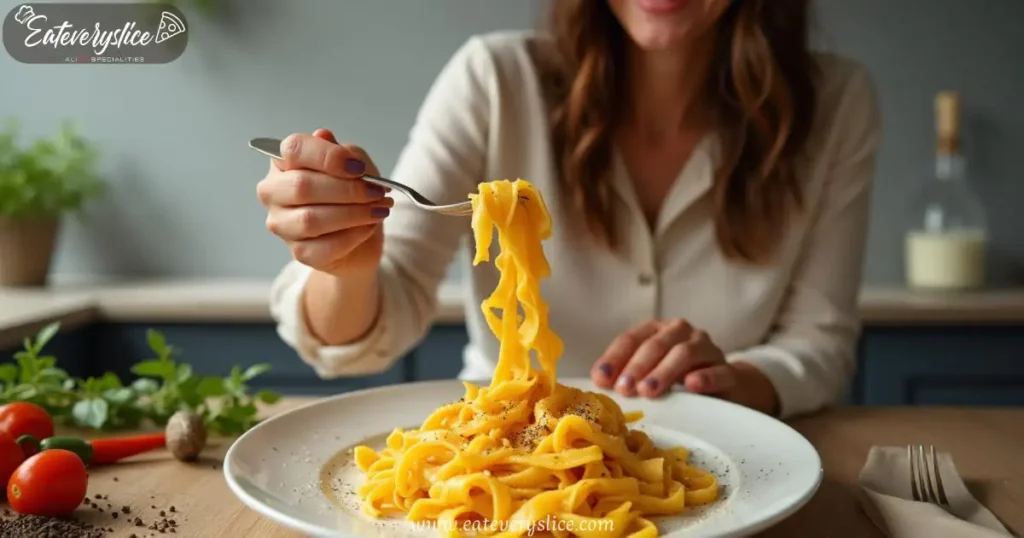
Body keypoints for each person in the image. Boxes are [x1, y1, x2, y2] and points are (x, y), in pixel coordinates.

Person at [256, 0, 881, 419]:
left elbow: (818, 343)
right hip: (500, 457)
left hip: (735, 467)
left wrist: (731, 380)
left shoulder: (837, 104)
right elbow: (359, 338)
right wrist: (350, 264)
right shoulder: (494, 79)